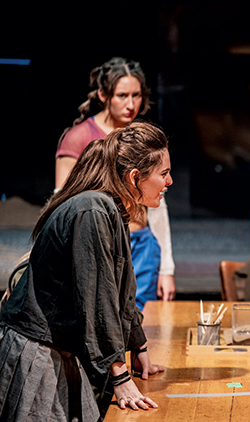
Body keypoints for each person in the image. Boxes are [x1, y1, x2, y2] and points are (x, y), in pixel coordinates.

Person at [0, 121, 170, 420]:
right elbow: (97, 299)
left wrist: (138, 345)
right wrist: (120, 378)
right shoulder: (92, 210)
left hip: (60, 353)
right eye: (164, 173)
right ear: (134, 177)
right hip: (39, 355)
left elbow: (121, 291)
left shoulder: (110, 209)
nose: (169, 182)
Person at [55, 57, 176, 310]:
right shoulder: (80, 138)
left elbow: (158, 201)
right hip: (101, 245)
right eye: (122, 95)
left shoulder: (143, 137)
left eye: (137, 95)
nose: (131, 104)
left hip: (140, 243)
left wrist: (166, 267)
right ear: (103, 94)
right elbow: (62, 206)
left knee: (142, 326)